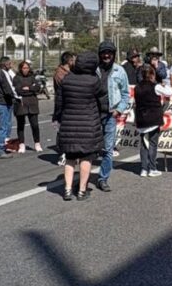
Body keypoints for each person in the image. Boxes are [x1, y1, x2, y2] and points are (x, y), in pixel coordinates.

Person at [52, 51, 107, 201]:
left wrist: (57, 118)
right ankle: (82, 191)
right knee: (86, 158)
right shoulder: (94, 81)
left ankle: (67, 190)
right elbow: (103, 100)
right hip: (89, 124)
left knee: (70, 158)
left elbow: (59, 102)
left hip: (69, 123)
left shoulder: (67, 79)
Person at [96, 40, 130, 192]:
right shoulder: (93, 69)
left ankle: (103, 178)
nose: (106, 55)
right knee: (89, 149)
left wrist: (119, 110)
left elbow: (125, 94)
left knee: (108, 150)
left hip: (110, 115)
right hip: (93, 115)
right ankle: (83, 180)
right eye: (104, 52)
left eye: (109, 52)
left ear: (114, 54)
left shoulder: (119, 71)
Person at [134, 64, 172, 178]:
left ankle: (143, 169)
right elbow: (169, 93)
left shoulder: (137, 87)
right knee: (152, 144)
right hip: (153, 119)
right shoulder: (155, 86)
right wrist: (164, 85)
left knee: (143, 146)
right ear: (152, 75)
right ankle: (152, 168)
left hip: (141, 120)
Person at [12, 60, 43, 153]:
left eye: (27, 68)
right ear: (21, 68)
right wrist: (29, 88)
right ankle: (22, 144)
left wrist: (29, 88)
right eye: (24, 68)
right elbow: (18, 90)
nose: (26, 70)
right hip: (21, 103)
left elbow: (37, 88)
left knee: (35, 125)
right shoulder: (16, 78)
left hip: (32, 103)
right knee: (20, 125)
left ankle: (37, 143)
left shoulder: (33, 77)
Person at [53, 51, 76, 167]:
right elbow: (67, 87)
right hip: (63, 105)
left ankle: (71, 152)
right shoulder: (60, 73)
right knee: (62, 130)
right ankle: (62, 153)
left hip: (71, 105)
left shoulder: (70, 72)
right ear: (69, 61)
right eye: (73, 60)